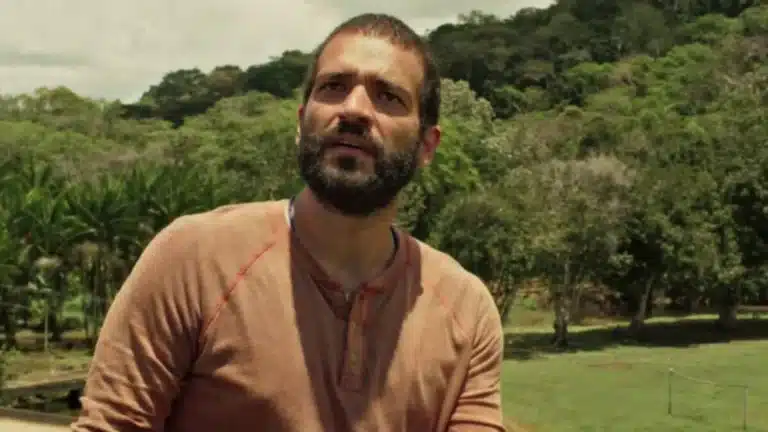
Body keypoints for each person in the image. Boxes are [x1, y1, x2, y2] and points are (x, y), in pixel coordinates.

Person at [70, 12, 505, 432]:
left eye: (387, 96)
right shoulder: (195, 260)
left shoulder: (465, 310)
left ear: (427, 145)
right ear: (301, 124)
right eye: (333, 87)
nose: (354, 109)